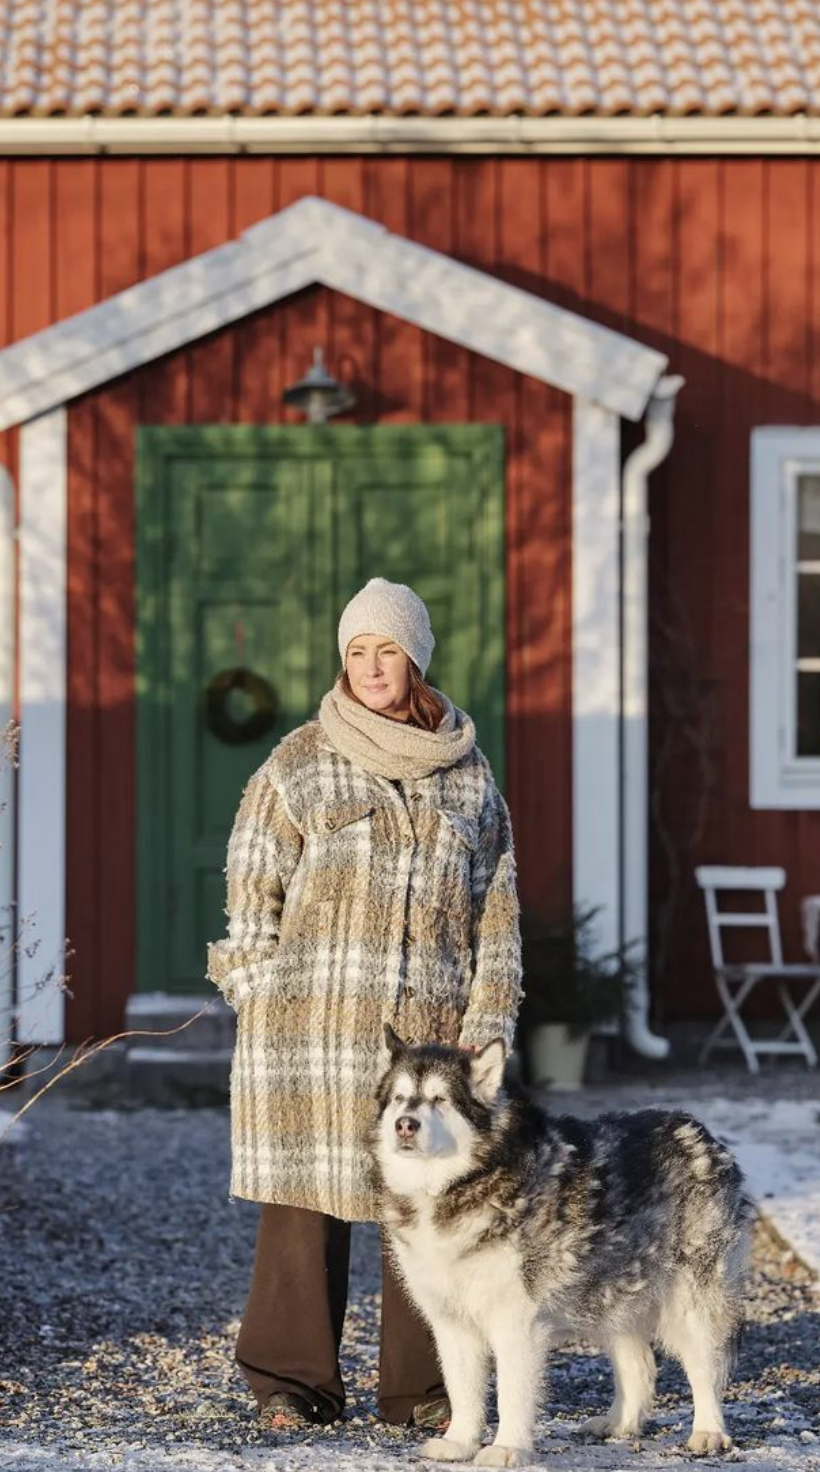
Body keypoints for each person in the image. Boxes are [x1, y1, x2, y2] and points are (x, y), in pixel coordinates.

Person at [207, 576, 523, 1432]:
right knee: (305, 1206)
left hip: (429, 1038)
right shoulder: (300, 761)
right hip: (310, 1032)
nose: (372, 666)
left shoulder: (467, 775)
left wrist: (488, 1023)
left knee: (427, 1207)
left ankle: (420, 1391)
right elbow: (250, 893)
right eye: (357, 650)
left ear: (415, 659)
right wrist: (259, 993)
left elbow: (497, 909)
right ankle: (289, 1382)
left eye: (387, 649)